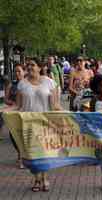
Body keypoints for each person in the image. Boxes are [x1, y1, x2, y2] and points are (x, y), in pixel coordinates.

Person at [16, 58, 61, 192]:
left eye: (32, 65)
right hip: (28, 124)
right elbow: (18, 106)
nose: (29, 67)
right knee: (33, 154)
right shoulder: (21, 84)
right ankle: (36, 179)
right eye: (28, 65)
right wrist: (4, 110)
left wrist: (69, 113)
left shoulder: (49, 82)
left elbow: (54, 105)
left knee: (45, 152)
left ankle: (45, 178)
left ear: (40, 68)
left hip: (45, 123)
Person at [4, 64, 26, 168]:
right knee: (13, 135)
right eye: (15, 71)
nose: (17, 74)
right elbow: (6, 99)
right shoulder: (11, 85)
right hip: (14, 113)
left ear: (24, 72)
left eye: (19, 71)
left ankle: (21, 157)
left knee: (23, 134)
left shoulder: (27, 84)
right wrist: (12, 104)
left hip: (25, 112)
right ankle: (20, 155)